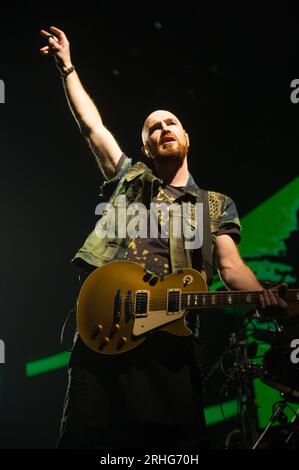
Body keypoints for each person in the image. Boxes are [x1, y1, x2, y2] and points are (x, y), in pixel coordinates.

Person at [40, 26, 288, 449]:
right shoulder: (130, 179)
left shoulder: (214, 204)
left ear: (186, 138)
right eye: (153, 128)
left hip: (170, 342)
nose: (163, 129)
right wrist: (67, 68)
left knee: (171, 448)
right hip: (105, 328)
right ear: (148, 147)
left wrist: (267, 298)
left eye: (171, 122)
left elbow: (231, 269)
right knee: (86, 439)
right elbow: (91, 125)